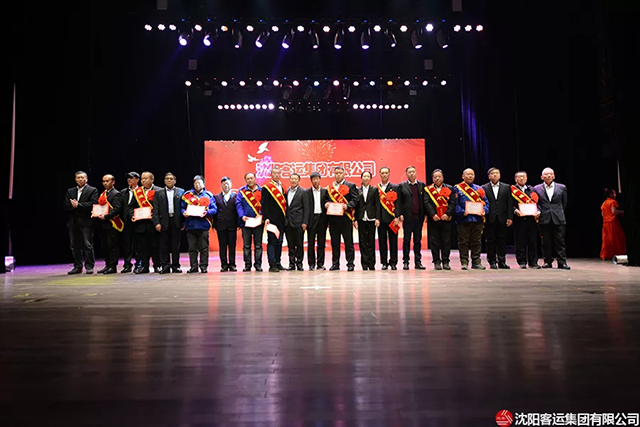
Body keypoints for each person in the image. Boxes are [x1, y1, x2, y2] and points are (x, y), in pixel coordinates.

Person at [534, 168, 570, 270]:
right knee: (545, 241)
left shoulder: (561, 187)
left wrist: (557, 211)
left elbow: (564, 203)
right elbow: (537, 203)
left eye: (551, 174)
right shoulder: (537, 188)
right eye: (546, 174)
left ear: (554, 176)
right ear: (542, 177)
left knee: (560, 241)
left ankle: (562, 262)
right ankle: (547, 261)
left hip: (558, 218)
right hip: (544, 217)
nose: (549, 176)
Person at [454, 168, 490, 270]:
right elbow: (455, 204)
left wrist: (484, 211)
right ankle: (464, 262)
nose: (470, 176)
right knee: (463, 242)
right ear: (463, 176)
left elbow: (486, 203)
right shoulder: (457, 188)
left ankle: (476, 262)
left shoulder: (479, 189)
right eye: (468, 174)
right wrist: (462, 212)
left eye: (472, 174)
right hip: (463, 220)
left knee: (477, 242)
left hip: (477, 219)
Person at [64, 171, 98, 274]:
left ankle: (89, 266)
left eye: (82, 177)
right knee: (74, 245)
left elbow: (93, 203)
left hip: (86, 221)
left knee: (87, 245)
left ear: (86, 179)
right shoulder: (70, 191)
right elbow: (66, 204)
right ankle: (77, 266)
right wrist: (72, 206)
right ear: (75, 179)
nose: (80, 179)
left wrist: (79, 205)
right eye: (78, 177)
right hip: (73, 222)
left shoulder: (92, 190)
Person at [324, 166, 359, 271]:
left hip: (346, 219)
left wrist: (347, 206)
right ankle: (335, 264)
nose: (338, 175)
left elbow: (355, 200)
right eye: (336, 173)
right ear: (334, 174)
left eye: (340, 173)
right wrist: (326, 204)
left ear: (344, 174)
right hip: (333, 219)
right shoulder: (329, 188)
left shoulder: (351, 185)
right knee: (335, 243)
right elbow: (325, 200)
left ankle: (350, 264)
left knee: (348, 243)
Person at [182, 175, 217, 273]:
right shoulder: (187, 195)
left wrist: (207, 212)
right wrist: (183, 212)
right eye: (196, 183)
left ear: (203, 184)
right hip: (191, 225)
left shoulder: (208, 195)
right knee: (192, 248)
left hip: (203, 225)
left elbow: (214, 209)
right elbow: (182, 207)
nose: (197, 185)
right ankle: (193, 266)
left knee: (204, 248)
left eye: (199, 183)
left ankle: (203, 266)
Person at [152, 172, 184, 274]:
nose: (169, 180)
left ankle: (175, 266)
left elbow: (183, 207)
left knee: (176, 246)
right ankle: (165, 266)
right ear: (164, 181)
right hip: (163, 221)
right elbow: (155, 209)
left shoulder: (181, 192)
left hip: (176, 221)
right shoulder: (158, 192)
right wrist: (156, 223)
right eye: (167, 178)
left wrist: (183, 222)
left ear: (175, 181)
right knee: (163, 245)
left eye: (171, 178)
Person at [481, 167, 513, 269]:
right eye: (492, 173)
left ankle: (502, 261)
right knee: (490, 240)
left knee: (502, 240)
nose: (495, 175)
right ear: (488, 176)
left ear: (500, 175)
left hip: (502, 217)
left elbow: (509, 203)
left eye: (497, 173)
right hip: (489, 218)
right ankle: (492, 261)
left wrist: (510, 217)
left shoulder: (506, 187)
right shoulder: (484, 188)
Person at [424, 169, 456, 270]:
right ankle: (436, 261)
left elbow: (452, 203)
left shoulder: (450, 188)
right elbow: (426, 203)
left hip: (446, 219)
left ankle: (446, 261)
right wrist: (432, 214)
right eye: (435, 177)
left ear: (443, 177)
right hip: (434, 219)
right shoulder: (428, 189)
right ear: (432, 178)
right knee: (434, 241)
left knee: (446, 241)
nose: (437, 178)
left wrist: (447, 214)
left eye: (439, 176)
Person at [397, 166, 427, 270]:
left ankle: (418, 262)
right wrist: (400, 214)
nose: (411, 174)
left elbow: (425, 201)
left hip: (418, 217)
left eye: (413, 172)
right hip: (407, 217)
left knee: (418, 241)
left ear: (416, 173)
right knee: (406, 240)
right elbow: (399, 202)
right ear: (406, 174)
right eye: (409, 172)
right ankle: (406, 262)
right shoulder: (401, 186)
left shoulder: (422, 185)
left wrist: (425, 214)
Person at [132, 171, 161, 274]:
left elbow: (161, 207)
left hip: (153, 224)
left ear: (152, 180)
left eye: (146, 178)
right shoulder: (137, 192)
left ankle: (157, 266)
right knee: (142, 248)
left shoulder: (159, 191)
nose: (143, 181)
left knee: (155, 246)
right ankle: (144, 266)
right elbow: (131, 207)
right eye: (142, 179)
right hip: (141, 224)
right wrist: (132, 215)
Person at [511, 171, 541, 269]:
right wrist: (515, 210)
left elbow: (538, 203)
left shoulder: (532, 189)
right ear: (515, 179)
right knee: (520, 241)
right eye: (519, 177)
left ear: (526, 178)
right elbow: (509, 204)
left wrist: (538, 211)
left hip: (531, 219)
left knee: (532, 241)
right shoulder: (512, 190)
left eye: (523, 177)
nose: (521, 179)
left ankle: (533, 262)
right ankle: (522, 261)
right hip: (519, 219)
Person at [95, 174, 123, 274]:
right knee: (104, 246)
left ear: (113, 182)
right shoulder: (103, 194)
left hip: (112, 223)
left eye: (107, 181)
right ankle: (107, 265)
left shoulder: (116, 193)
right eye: (103, 181)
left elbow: (117, 208)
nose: (105, 183)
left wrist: (106, 216)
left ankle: (113, 266)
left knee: (112, 246)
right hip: (103, 224)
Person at [236, 172, 263, 272]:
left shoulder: (262, 190)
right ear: (245, 180)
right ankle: (247, 265)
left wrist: (261, 214)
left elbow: (265, 204)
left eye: (251, 178)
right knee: (246, 245)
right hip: (246, 222)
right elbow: (238, 205)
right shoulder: (242, 191)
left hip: (258, 222)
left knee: (258, 245)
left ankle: (258, 265)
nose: (250, 180)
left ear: (255, 179)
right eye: (248, 179)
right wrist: (242, 216)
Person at [262, 167, 288, 272]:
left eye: (278, 173)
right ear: (271, 175)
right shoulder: (267, 187)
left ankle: (278, 262)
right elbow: (265, 204)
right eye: (274, 173)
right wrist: (266, 217)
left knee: (280, 241)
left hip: (281, 219)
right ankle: (272, 264)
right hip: (272, 220)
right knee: (272, 241)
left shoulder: (283, 187)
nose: (276, 175)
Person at [376, 166, 400, 270]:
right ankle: (384, 262)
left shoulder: (395, 187)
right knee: (382, 242)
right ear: (380, 174)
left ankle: (393, 262)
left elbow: (398, 203)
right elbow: (376, 205)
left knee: (393, 242)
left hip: (392, 219)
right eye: (382, 173)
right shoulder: (376, 189)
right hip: (381, 220)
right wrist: (377, 218)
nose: (384, 175)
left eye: (386, 173)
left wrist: (397, 216)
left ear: (389, 174)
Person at [284, 173, 309, 270]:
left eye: (295, 179)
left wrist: (305, 222)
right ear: (289, 180)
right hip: (288, 222)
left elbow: (306, 208)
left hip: (299, 222)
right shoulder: (286, 192)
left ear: (299, 181)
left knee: (299, 244)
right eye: (292, 179)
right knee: (290, 245)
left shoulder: (303, 192)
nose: (293, 181)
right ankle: (291, 263)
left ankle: (299, 263)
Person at [214, 177, 240, 272]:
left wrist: (238, 223)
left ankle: (232, 264)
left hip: (232, 225)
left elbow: (238, 211)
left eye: (227, 183)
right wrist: (214, 224)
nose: (226, 185)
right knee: (222, 246)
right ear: (221, 185)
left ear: (231, 185)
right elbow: (215, 212)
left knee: (232, 246)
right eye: (224, 184)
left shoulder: (236, 196)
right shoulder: (216, 197)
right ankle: (224, 265)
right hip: (221, 226)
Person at [355, 171, 378, 270]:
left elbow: (377, 205)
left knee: (371, 241)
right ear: (361, 178)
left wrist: (377, 218)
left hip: (371, 218)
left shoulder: (374, 190)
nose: (366, 178)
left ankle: (371, 263)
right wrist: (355, 219)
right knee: (362, 241)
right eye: (364, 176)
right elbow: (356, 206)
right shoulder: (357, 190)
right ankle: (364, 264)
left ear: (370, 178)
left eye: (368, 176)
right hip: (361, 218)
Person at [306, 172, 328, 270]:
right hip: (311, 219)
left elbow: (328, 203)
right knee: (310, 243)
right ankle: (311, 264)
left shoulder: (325, 191)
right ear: (311, 181)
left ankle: (320, 264)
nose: (315, 181)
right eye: (313, 179)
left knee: (321, 243)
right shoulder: (307, 192)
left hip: (322, 219)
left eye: (317, 179)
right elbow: (306, 207)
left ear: (320, 179)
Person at [119, 171, 140, 273]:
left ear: (137, 179)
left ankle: (138, 264)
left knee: (138, 245)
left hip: (138, 221)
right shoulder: (123, 192)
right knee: (127, 244)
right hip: (126, 222)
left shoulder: (141, 192)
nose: (129, 180)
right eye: (128, 178)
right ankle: (127, 265)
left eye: (131, 178)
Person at [600, 189, 626, 260]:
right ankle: (618, 254)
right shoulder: (613, 202)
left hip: (605, 223)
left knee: (606, 240)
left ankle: (605, 255)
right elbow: (614, 211)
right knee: (617, 239)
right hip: (612, 223)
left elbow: (602, 214)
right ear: (610, 194)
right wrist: (622, 212)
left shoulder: (604, 203)